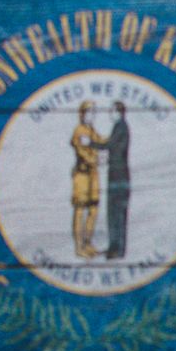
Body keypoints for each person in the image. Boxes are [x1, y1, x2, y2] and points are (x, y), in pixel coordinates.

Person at [69, 101, 104, 259]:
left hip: (93, 175)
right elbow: (82, 152)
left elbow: (100, 142)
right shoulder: (79, 131)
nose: (91, 115)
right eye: (89, 112)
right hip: (82, 175)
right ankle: (78, 246)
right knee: (80, 210)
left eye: (93, 112)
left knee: (93, 209)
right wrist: (97, 159)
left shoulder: (92, 130)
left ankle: (88, 243)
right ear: (82, 114)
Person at [103, 101, 131, 260]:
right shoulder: (119, 126)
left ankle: (118, 249)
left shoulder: (121, 127)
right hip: (115, 175)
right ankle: (114, 247)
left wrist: (92, 143)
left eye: (112, 111)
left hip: (119, 176)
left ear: (119, 112)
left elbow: (111, 145)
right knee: (113, 213)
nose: (110, 113)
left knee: (118, 214)